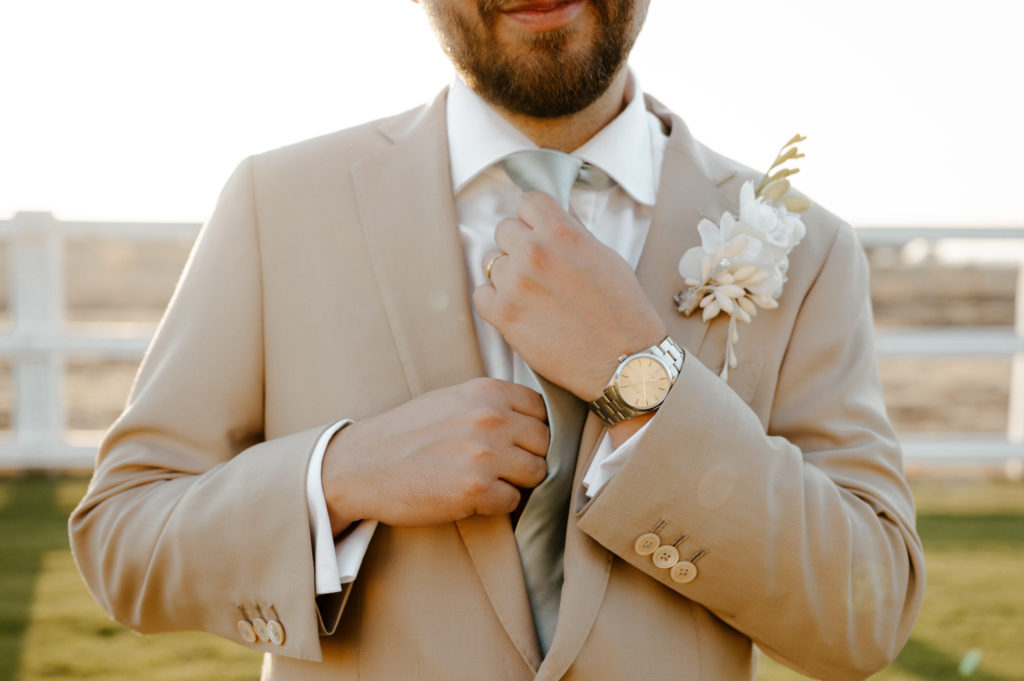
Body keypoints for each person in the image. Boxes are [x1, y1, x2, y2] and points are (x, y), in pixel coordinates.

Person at [70, 1, 925, 680]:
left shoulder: (804, 248)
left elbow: (867, 609)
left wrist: (643, 382)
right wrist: (342, 473)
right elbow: (123, 536)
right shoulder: (278, 202)